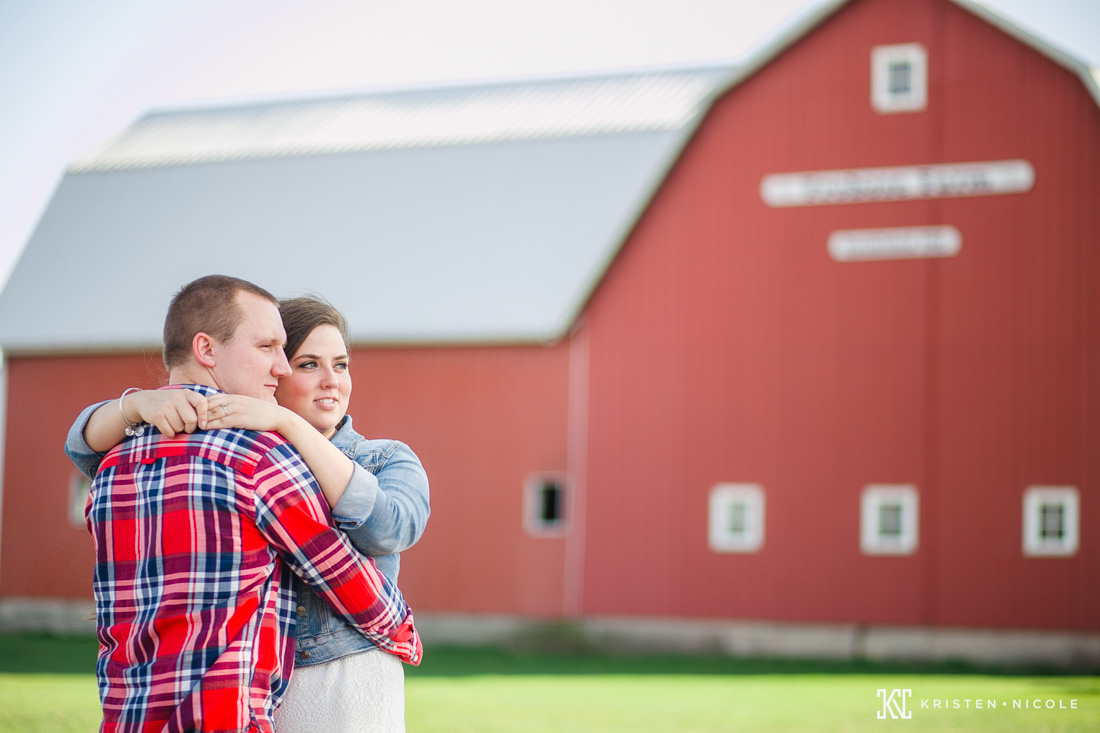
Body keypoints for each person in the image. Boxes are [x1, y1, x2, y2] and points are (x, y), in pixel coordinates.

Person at [65, 275, 422, 733]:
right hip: (231, 707)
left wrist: (284, 423)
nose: (281, 369)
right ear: (208, 350)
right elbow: (346, 576)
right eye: (299, 360)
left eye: (342, 364)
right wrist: (403, 633)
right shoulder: (259, 458)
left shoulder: (116, 462)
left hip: (131, 711)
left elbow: (391, 528)